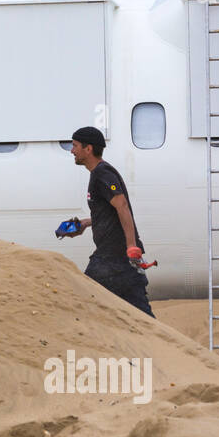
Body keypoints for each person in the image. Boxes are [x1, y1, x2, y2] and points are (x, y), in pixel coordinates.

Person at [63, 125, 153, 317]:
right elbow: (111, 213)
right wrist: (86, 224)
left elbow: (122, 206)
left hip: (114, 259)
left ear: (88, 149)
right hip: (118, 260)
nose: (72, 151)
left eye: (75, 146)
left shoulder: (102, 174)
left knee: (83, 301)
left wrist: (132, 247)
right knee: (143, 318)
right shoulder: (98, 174)